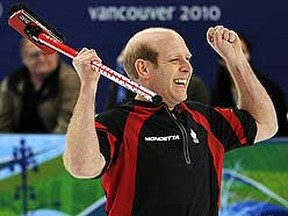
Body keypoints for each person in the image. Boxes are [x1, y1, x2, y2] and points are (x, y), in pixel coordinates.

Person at [63, 26, 278, 215]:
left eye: (188, 59)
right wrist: (88, 86)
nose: (187, 67)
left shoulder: (206, 119)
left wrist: (237, 60)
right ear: (144, 68)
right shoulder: (117, 123)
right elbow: (81, 167)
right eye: (175, 60)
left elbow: (266, 124)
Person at [211, 34, 288, 136]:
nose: (237, 58)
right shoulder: (218, 93)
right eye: (230, 53)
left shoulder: (270, 88)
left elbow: (281, 127)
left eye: (242, 52)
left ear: (248, 54)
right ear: (222, 59)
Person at [0, 38, 80, 133]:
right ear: (24, 58)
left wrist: (49, 146)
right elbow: (3, 121)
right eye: (34, 55)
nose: (41, 59)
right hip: (20, 144)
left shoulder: (71, 79)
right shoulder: (12, 82)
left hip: (60, 143)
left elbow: (69, 121)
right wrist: (8, 144)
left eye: (46, 53)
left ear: (56, 54)